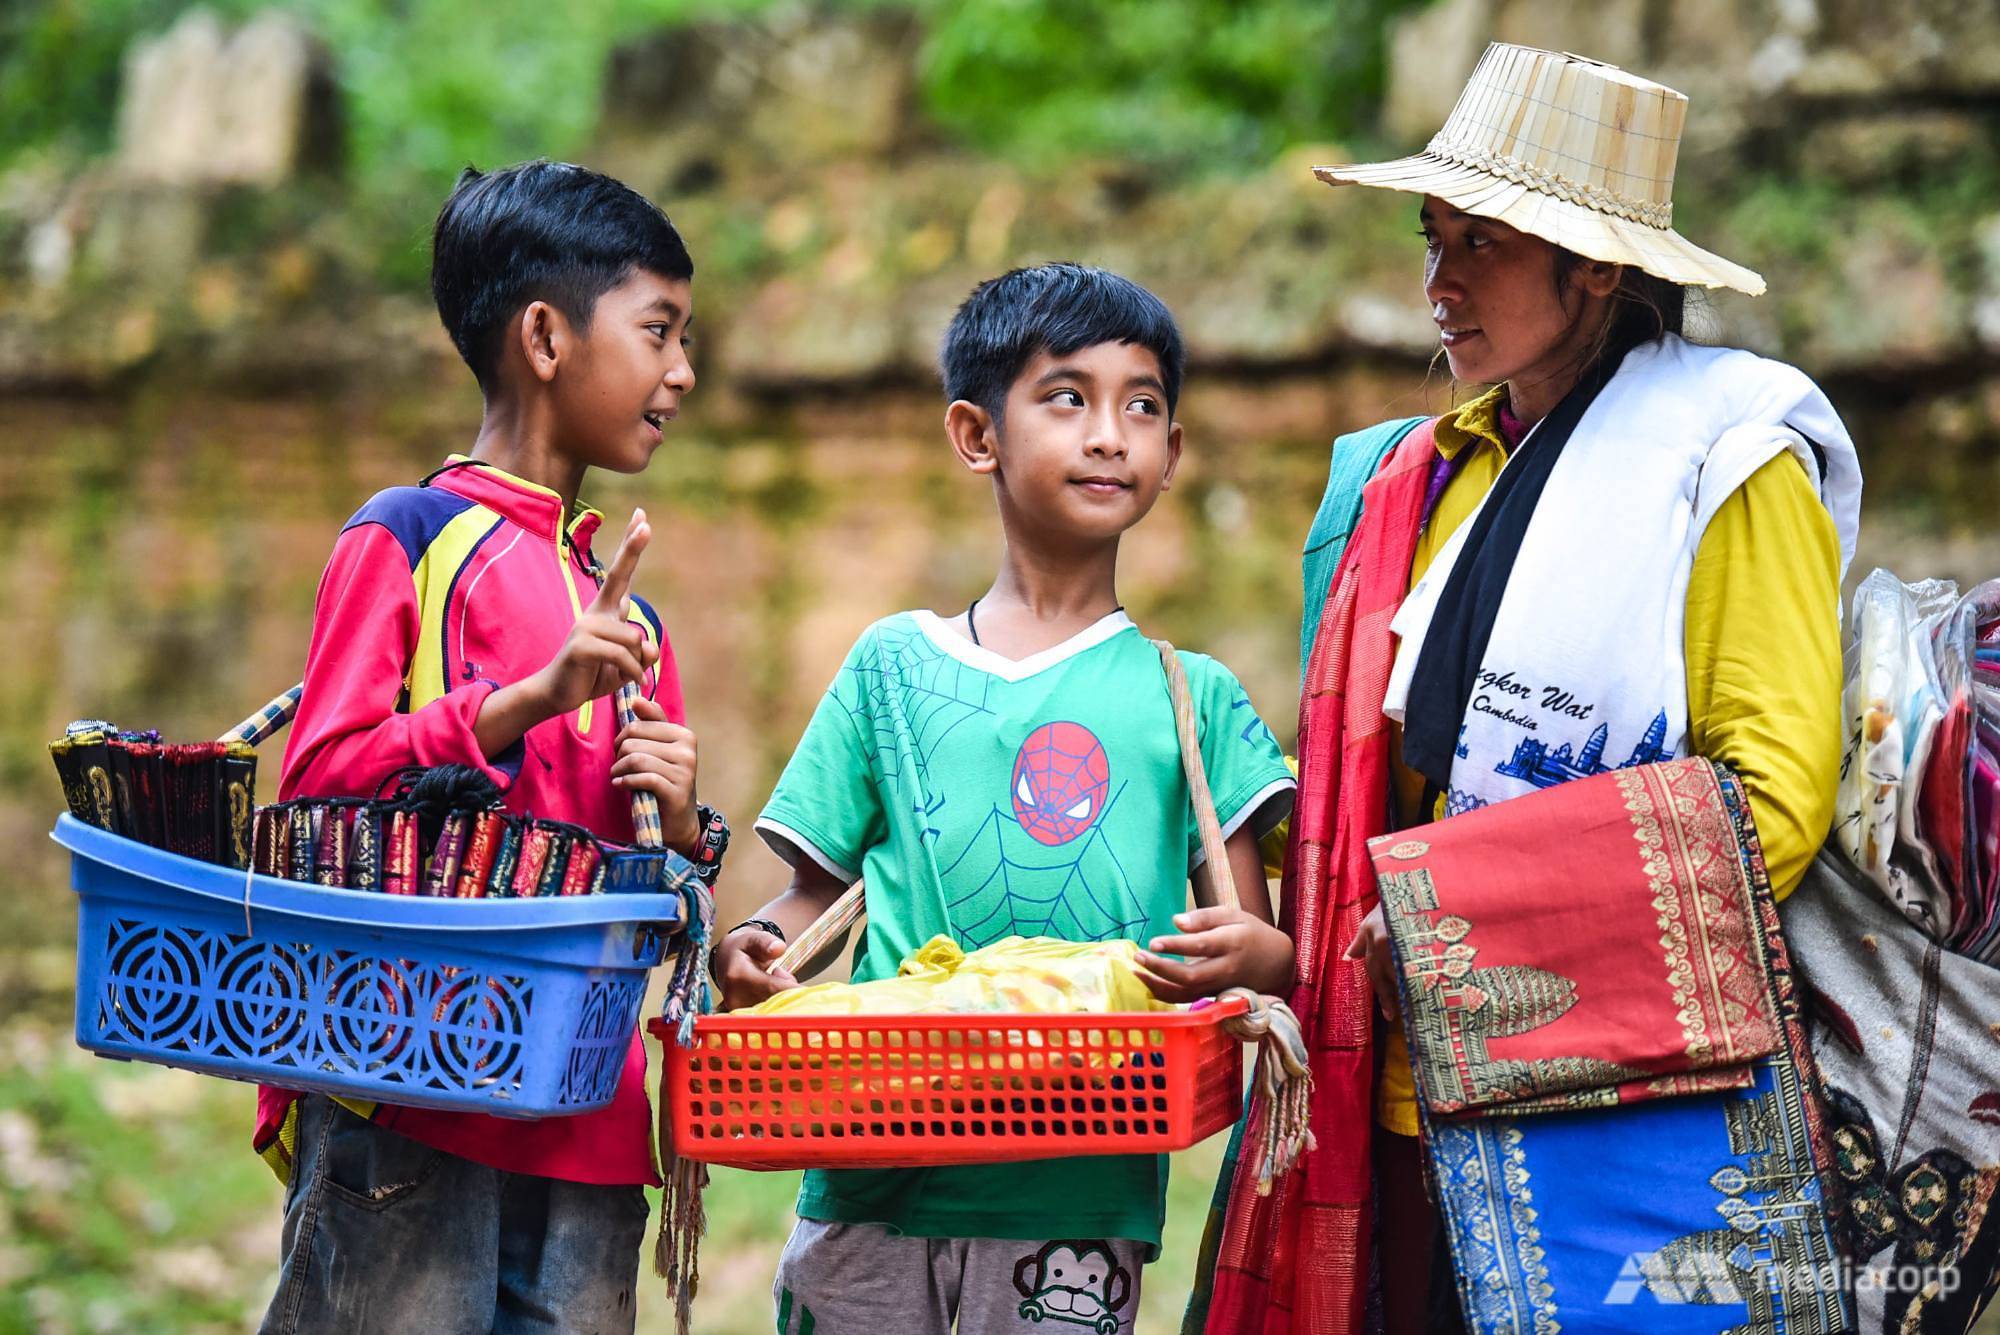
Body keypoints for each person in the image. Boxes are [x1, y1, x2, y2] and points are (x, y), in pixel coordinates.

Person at [1191, 44, 1862, 1334]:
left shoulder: (1726, 467)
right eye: (1430, 240)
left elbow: (1768, 806)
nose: (1438, 286)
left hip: (1609, 1103)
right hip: (1391, 1076)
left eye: (1479, 246)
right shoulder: (1429, 472)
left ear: (1598, 268)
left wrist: (1467, 915)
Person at [710, 262, 1299, 1335]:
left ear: (1173, 457)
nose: (1110, 434)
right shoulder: (890, 666)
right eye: (1066, 398)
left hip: (1079, 1192)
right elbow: (807, 900)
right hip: (871, 1170)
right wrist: (754, 947)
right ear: (977, 436)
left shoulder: (1190, 697)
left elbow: (1254, 939)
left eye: (1144, 406)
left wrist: (1262, 962)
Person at [258, 159, 708, 1334]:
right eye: (657, 329)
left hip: (589, 1118)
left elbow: (621, 886)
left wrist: (678, 821)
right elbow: (315, 789)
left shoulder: (625, 607)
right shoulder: (406, 537)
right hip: (410, 1091)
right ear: (547, 336)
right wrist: (525, 698)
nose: (682, 372)